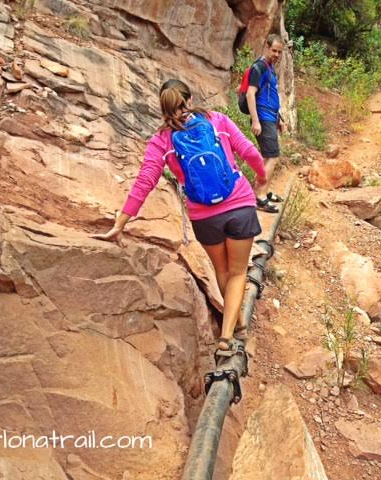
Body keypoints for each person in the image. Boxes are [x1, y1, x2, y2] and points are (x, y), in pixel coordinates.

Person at [93, 79, 267, 353]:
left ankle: (235, 325)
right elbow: (248, 150)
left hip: (204, 217)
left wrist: (121, 222)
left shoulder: (162, 140)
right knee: (238, 272)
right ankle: (227, 335)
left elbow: (145, 181)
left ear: (163, 108)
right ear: (189, 97)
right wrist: (261, 175)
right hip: (239, 204)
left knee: (222, 270)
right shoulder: (216, 121)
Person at [245, 33, 285, 213]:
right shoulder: (259, 67)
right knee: (273, 157)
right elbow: (250, 93)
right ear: (267, 47)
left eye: (279, 52)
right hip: (263, 118)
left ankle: (263, 191)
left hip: (270, 118)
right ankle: (259, 197)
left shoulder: (269, 68)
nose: (276, 54)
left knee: (268, 156)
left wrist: (279, 119)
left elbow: (271, 96)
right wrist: (256, 120)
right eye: (274, 50)